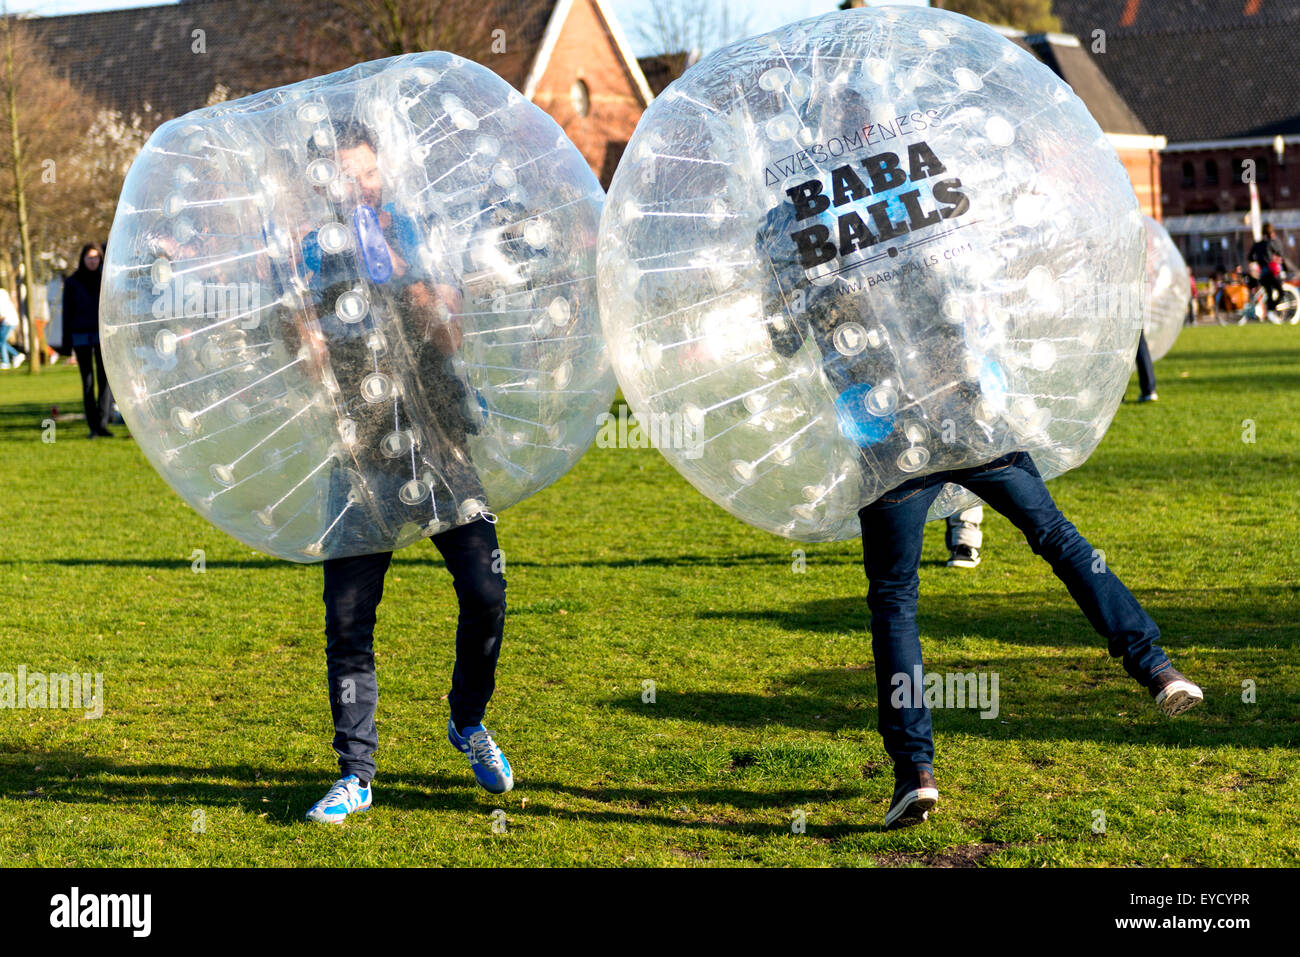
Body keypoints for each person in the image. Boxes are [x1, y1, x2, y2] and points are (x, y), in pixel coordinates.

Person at [758, 191, 1202, 830]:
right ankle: (1155, 668)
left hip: (884, 431)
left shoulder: (781, 224)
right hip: (962, 406)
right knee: (1056, 537)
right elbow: (972, 281)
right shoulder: (907, 175)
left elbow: (783, 338)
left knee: (894, 600)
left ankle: (915, 773)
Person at [299, 120, 514, 824]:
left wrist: (426, 297)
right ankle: (356, 772)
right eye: (340, 176)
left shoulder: (414, 231)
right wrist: (302, 339)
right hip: (361, 451)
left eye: (363, 173)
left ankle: (467, 719)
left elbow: (453, 335)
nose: (354, 187)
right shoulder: (307, 252)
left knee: (485, 589)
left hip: (437, 440)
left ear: (380, 171)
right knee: (348, 620)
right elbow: (302, 352)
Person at [63, 243, 114, 437]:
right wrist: (67, 344)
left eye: (96, 257)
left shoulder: (106, 280)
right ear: (82, 259)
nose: (92, 261)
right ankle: (93, 425)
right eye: (89, 257)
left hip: (102, 336)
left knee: (104, 380)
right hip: (81, 336)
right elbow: (67, 313)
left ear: (100, 259)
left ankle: (102, 422)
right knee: (88, 382)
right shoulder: (72, 282)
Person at [1248, 223, 1294, 322]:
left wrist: (1259, 260)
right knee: (1280, 292)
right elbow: (1280, 254)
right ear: (1271, 232)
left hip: (1263, 274)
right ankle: (1271, 310)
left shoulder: (1257, 244)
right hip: (1271, 272)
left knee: (1269, 293)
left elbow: (1250, 257)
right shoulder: (1272, 242)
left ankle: (1270, 312)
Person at [0, 286, 22, 369]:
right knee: (2, 341)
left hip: (8, 321)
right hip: (11, 321)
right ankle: (16, 355)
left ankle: (6, 362)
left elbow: (2, 315)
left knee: (1, 342)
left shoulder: (1, 295)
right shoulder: (3, 293)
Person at [1135, 331, 1157, 403]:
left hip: (1122, 320)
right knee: (1139, 341)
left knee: (1118, 344)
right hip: (1135, 319)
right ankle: (1149, 390)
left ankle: (1119, 396)